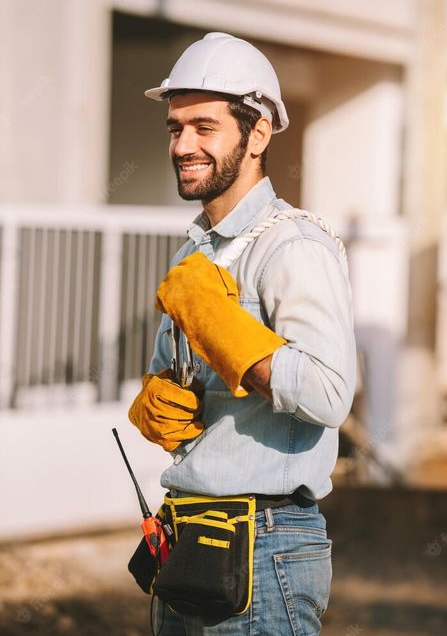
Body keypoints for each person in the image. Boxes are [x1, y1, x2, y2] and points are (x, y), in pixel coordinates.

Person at [128, 32, 357, 635]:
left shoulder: (295, 245)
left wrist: (222, 328)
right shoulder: (194, 254)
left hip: (265, 545)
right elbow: (176, 376)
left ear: (257, 135)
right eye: (176, 129)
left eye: (205, 127)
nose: (183, 145)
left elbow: (330, 394)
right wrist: (159, 399)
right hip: (185, 532)